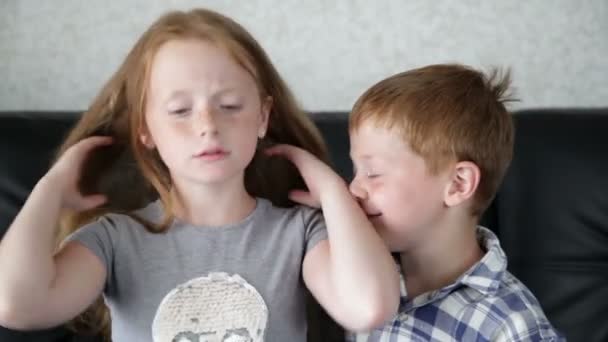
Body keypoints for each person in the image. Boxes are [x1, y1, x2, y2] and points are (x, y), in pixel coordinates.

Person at [0, 8, 399, 341]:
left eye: (228, 105)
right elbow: (15, 306)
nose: (208, 124)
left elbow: (369, 308)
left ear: (262, 117)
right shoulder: (115, 239)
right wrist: (49, 191)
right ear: (145, 129)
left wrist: (333, 191)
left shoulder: (299, 232)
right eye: (179, 111)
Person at [345, 64, 564, 341]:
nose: (355, 188)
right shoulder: (353, 274)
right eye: (355, 171)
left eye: (373, 173)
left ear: (458, 183)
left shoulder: (511, 324)